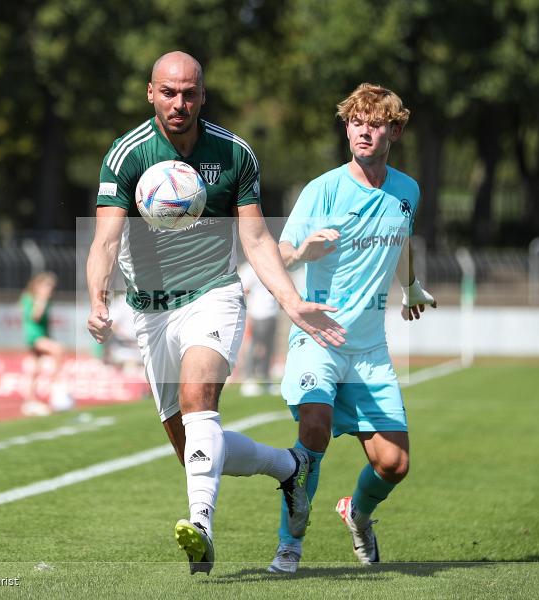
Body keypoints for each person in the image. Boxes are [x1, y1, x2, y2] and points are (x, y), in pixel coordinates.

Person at [86, 51, 346, 575]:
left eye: (189, 93)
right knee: (190, 447)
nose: (178, 103)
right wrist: (97, 298)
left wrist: (292, 302)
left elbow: (256, 238)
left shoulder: (234, 154)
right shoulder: (126, 154)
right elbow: (106, 240)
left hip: (213, 294)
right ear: (151, 93)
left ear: (203, 95)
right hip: (151, 312)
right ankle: (288, 467)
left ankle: (201, 527)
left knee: (198, 397)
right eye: (168, 92)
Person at [268, 83, 437, 573]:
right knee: (314, 428)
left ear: (395, 131)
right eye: (356, 122)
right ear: (346, 128)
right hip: (318, 338)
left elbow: (400, 240)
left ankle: (357, 514)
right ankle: (290, 544)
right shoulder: (322, 189)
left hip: (368, 351)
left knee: (394, 464)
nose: (364, 131)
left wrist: (411, 287)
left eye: (375, 123)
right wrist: (303, 252)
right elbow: (280, 253)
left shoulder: (407, 190)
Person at [20, 271, 64, 416]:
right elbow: (35, 317)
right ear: (38, 286)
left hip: (42, 335)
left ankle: (30, 400)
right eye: (47, 286)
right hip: (34, 336)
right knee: (57, 350)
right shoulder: (31, 298)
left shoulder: (47, 301)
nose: (50, 290)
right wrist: (41, 300)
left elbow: (46, 323)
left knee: (35, 369)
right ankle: (55, 381)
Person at [238, 261, 280, 397]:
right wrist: (246, 312)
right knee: (253, 347)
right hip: (256, 313)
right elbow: (243, 290)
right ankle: (248, 379)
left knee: (269, 348)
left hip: (272, 313)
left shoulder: (273, 263)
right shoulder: (249, 268)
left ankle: (266, 379)